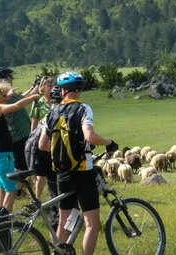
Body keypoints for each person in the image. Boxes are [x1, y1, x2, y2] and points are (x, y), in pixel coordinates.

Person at [39, 72, 118, 255]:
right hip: (82, 172)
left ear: (63, 90)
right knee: (92, 223)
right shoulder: (83, 109)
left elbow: (42, 144)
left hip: (62, 173)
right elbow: (89, 136)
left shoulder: (52, 112)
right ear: (79, 90)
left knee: (65, 219)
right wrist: (109, 142)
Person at [0, 80, 40, 212]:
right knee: (12, 190)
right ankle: (5, 219)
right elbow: (15, 107)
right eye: (3, 96)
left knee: (3, 187)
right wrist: (32, 97)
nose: (5, 98)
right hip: (3, 155)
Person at [0, 67, 38, 197]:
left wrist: (34, 88)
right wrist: (35, 91)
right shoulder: (5, 97)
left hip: (20, 133)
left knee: (21, 163)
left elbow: (21, 97)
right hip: (18, 134)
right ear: (4, 79)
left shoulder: (5, 95)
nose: (12, 79)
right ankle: (17, 192)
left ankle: (18, 191)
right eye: (9, 77)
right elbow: (20, 101)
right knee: (20, 164)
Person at [29, 76, 55, 200]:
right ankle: (37, 199)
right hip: (42, 141)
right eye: (49, 85)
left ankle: (55, 198)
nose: (52, 88)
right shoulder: (38, 104)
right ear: (42, 87)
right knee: (41, 174)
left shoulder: (58, 102)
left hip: (56, 142)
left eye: (54, 85)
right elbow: (33, 126)